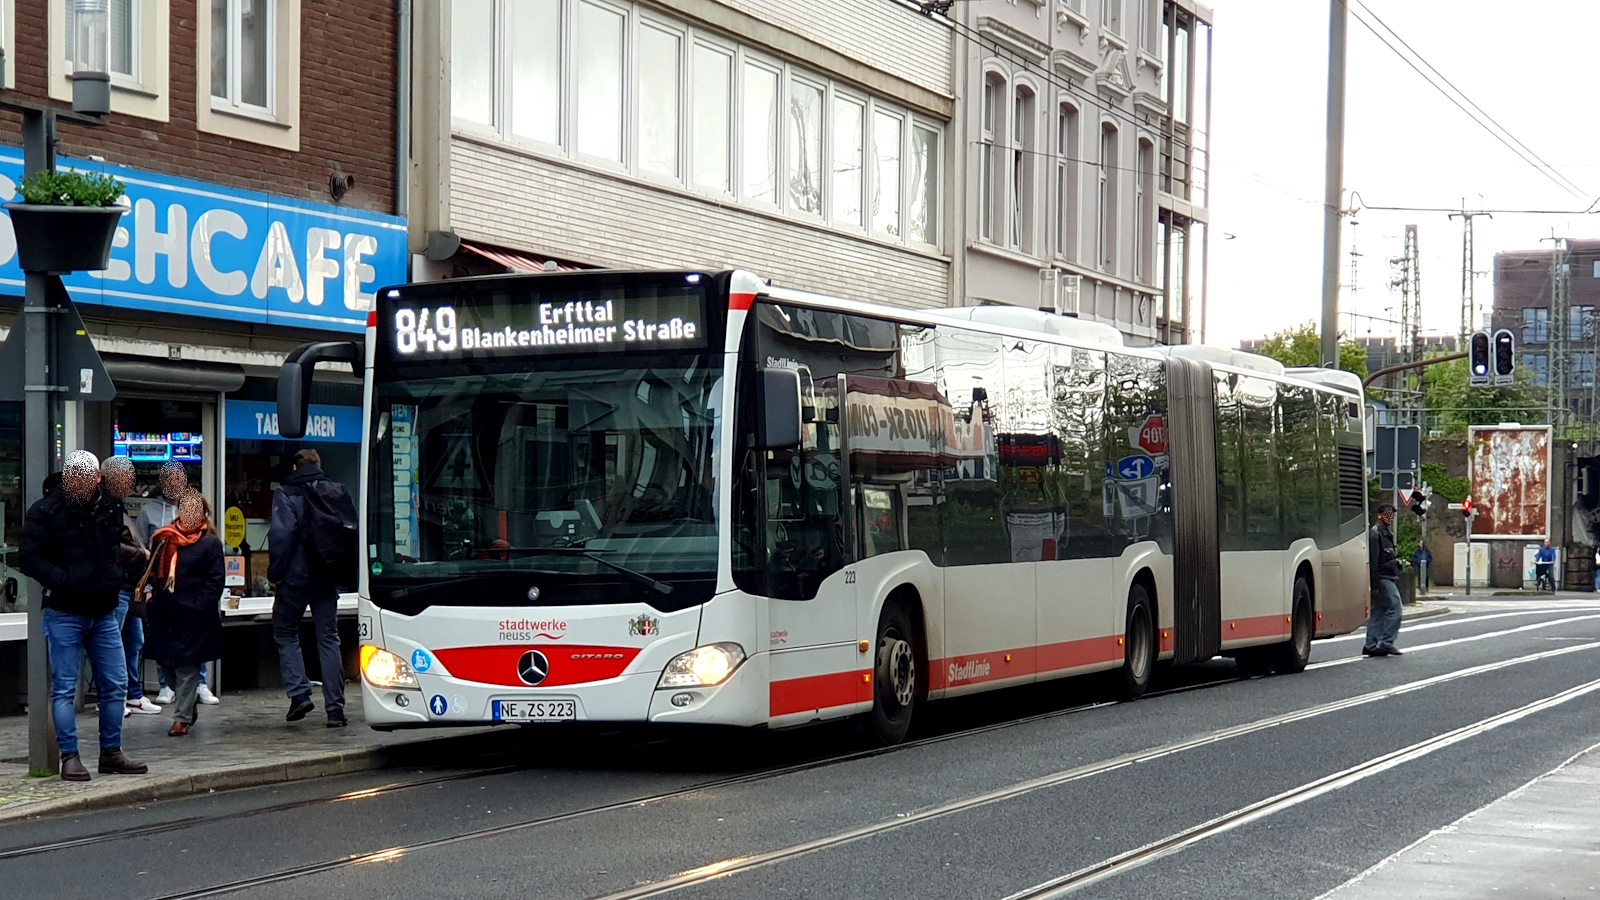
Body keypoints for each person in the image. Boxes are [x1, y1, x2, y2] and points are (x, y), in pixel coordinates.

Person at [17, 450, 148, 781]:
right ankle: (70, 757)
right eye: (74, 478)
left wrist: (119, 571)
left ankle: (111, 752)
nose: (80, 484)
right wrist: (64, 580)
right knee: (64, 687)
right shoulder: (46, 511)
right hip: (65, 610)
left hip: (102, 607)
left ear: (98, 480)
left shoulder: (109, 506)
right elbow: (29, 558)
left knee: (115, 683)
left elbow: (112, 546)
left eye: (86, 479)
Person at [269, 449, 353, 727]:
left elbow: (283, 535)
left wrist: (275, 573)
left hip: (295, 578)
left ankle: (299, 693)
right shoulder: (336, 491)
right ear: (319, 464)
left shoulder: (286, 492)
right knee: (328, 638)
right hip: (327, 576)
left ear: (294, 467)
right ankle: (335, 709)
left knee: (285, 632)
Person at [141, 491, 225, 737]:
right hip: (164, 613)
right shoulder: (165, 538)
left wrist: (201, 605)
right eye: (184, 509)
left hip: (193, 615)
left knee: (188, 667)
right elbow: (151, 571)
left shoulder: (210, 543)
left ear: (202, 513)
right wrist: (149, 594)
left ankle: (181, 719)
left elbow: (216, 580)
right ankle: (187, 706)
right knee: (166, 664)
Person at [102, 457, 161, 717]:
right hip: (117, 585)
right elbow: (111, 545)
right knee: (112, 644)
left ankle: (133, 694)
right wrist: (141, 554)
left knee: (133, 641)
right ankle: (113, 698)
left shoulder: (118, 507)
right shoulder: (104, 506)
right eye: (126, 477)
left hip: (129, 586)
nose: (131, 483)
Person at [1364, 504, 1404, 658]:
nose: (1390, 517)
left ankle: (1371, 644)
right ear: (1379, 515)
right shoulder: (1376, 535)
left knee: (1378, 611)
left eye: (1392, 515)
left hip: (1385, 577)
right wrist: (1374, 584)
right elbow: (1374, 562)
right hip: (1382, 578)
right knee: (1395, 608)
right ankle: (1386, 643)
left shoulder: (1385, 534)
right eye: (1388, 514)